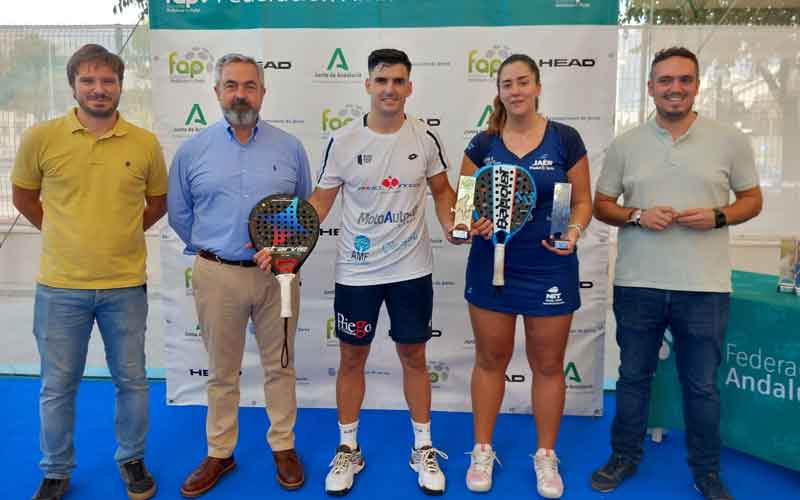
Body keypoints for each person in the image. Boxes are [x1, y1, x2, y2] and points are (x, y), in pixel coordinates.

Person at [590, 47, 762, 500]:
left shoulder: (730, 140)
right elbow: (602, 205)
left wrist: (720, 216)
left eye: (684, 80)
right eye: (665, 80)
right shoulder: (627, 143)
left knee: (702, 386)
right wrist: (637, 215)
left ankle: (706, 471)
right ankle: (623, 457)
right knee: (632, 378)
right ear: (650, 88)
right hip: (638, 284)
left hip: (704, 288)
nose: (675, 88)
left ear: (697, 85)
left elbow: (752, 199)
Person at [296, 48, 456, 496]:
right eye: (382, 80)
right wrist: (286, 241)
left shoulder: (425, 139)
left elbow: (443, 191)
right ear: (367, 85)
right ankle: (348, 448)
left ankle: (422, 446)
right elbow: (321, 202)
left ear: (409, 87)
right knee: (351, 359)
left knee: (415, 359)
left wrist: (454, 224)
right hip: (357, 272)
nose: (390, 89)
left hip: (411, 270)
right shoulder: (344, 141)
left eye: (399, 81)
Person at [11, 44, 168, 500]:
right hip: (60, 288)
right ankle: (56, 470)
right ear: (73, 85)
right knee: (57, 386)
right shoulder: (42, 137)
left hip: (125, 287)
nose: (99, 90)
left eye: (108, 81)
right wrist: (61, 232)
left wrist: (120, 233)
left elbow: (157, 203)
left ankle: (133, 459)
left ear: (121, 85)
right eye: (89, 81)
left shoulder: (144, 143)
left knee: (132, 381)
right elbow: (24, 197)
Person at [168, 53, 312, 497]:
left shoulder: (289, 148)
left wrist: (282, 253)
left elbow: (300, 208)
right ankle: (219, 451)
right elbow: (179, 213)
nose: (240, 94)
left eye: (249, 86)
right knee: (222, 372)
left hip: (279, 278)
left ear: (263, 93)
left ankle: (283, 445)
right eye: (231, 85)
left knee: (281, 365)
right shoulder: (193, 150)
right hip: (217, 275)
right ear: (216, 93)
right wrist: (217, 247)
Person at [457, 54, 592, 499]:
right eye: (507, 84)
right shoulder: (481, 144)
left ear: (537, 87)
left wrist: (570, 231)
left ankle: (546, 456)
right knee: (490, 361)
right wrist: (469, 224)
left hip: (550, 266)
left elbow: (580, 202)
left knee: (549, 365)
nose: (514, 91)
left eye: (522, 83)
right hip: (489, 268)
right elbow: (462, 211)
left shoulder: (565, 139)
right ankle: (482, 450)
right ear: (498, 91)